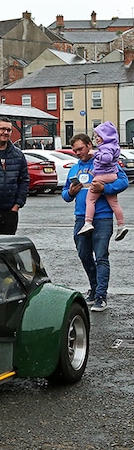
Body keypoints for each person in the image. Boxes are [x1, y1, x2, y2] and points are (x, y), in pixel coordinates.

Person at [62, 133, 128, 313]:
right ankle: (94, 287)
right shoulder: (74, 168)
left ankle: (101, 295)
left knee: (101, 257)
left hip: (102, 217)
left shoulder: (105, 162)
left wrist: (105, 188)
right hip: (81, 218)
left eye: (80, 149)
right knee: (84, 255)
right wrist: (71, 193)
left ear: (89, 145)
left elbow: (123, 182)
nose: (77, 153)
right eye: (74, 150)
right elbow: (65, 194)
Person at [78, 121, 127, 240]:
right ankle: (121, 225)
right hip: (112, 175)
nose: (97, 139)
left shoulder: (105, 148)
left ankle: (88, 222)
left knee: (90, 200)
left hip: (102, 176)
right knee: (114, 203)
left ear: (106, 136)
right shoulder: (114, 146)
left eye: (98, 136)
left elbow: (107, 158)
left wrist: (96, 154)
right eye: (95, 137)